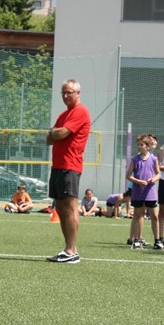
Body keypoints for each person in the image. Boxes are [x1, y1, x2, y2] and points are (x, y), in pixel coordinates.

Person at [45, 79, 91, 263]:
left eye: (69, 92)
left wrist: (55, 132)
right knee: (61, 207)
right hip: (58, 165)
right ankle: (69, 249)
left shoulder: (80, 111)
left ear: (78, 93)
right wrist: (54, 132)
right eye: (63, 92)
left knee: (70, 207)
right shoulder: (64, 115)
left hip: (70, 165)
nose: (65, 96)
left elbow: (60, 133)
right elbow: (49, 139)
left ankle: (71, 251)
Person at [126, 134, 161, 249]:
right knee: (138, 215)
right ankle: (137, 240)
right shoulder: (135, 159)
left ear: (148, 146)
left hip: (150, 193)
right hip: (138, 192)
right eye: (139, 144)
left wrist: (153, 179)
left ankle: (157, 241)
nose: (139, 146)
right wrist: (138, 181)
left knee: (154, 216)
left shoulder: (154, 159)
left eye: (142, 145)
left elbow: (158, 174)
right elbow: (128, 175)